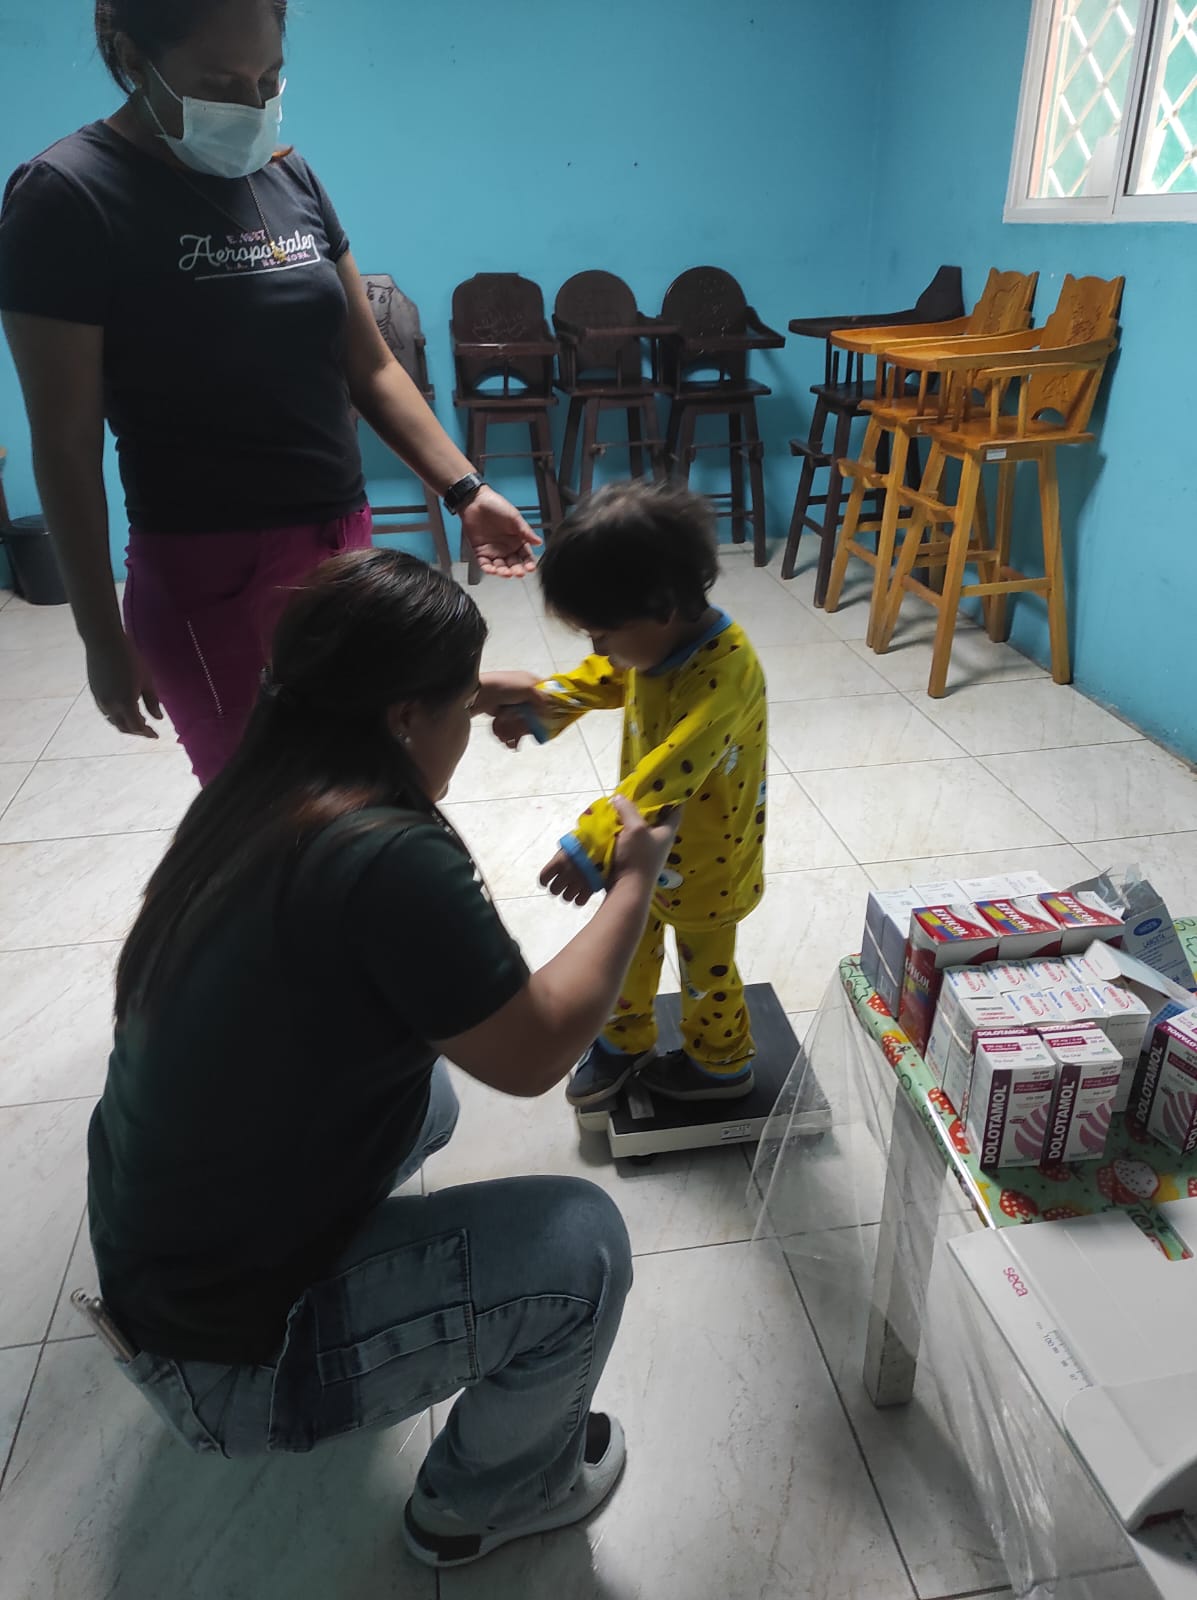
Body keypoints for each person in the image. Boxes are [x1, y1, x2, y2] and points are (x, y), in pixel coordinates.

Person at [87, 547, 678, 1569]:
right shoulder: (391, 859)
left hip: (158, 1268)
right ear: (403, 715)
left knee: (424, 1097)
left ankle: (347, 1288)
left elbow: (366, 705)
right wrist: (633, 883)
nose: (468, 721)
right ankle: (484, 1500)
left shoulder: (260, 784)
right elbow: (534, 1047)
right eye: (457, 702)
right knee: (579, 1248)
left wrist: (468, 688)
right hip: (225, 1360)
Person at [0, 0, 537, 787]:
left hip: (337, 545)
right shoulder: (65, 195)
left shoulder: (287, 175)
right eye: (222, 84)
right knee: (265, 800)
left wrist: (466, 490)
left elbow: (370, 366)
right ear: (132, 57)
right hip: (208, 569)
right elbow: (65, 443)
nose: (252, 106)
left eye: (269, 78)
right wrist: (101, 636)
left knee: (361, 767)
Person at [482, 481, 768, 1107]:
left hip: (708, 865)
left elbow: (667, 773)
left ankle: (720, 1065)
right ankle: (623, 1038)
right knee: (630, 947)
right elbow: (608, 676)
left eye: (602, 632)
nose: (599, 647)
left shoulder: (727, 674)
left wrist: (590, 842)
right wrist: (543, 704)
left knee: (706, 972)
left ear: (662, 608)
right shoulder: (655, 641)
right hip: (641, 844)